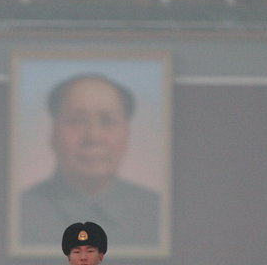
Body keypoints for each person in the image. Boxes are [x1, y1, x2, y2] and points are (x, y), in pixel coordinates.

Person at [19, 74, 161, 248]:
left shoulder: (156, 212)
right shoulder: (20, 213)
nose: (93, 137)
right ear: (53, 133)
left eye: (108, 121)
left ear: (127, 134)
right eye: (76, 121)